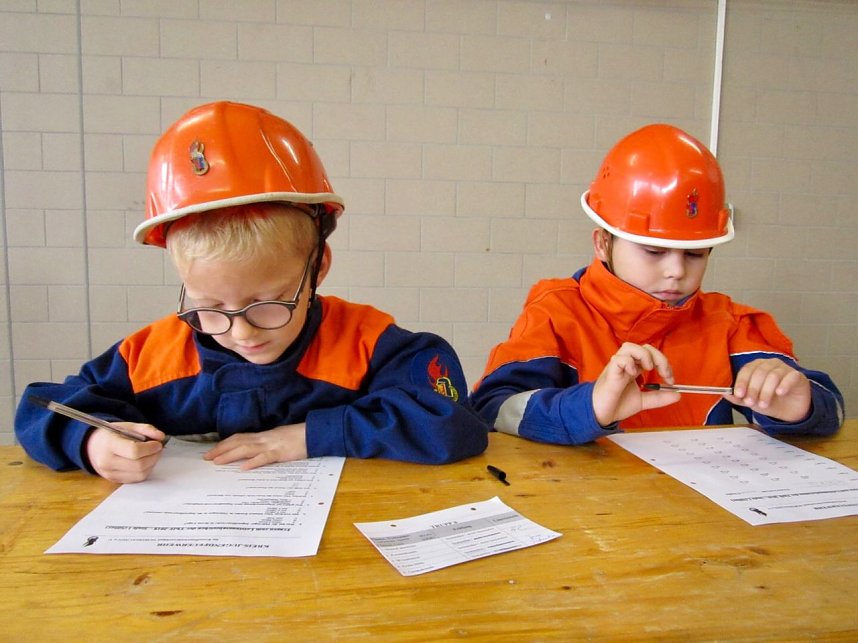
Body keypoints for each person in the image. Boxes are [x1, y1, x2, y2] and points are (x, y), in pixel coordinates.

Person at [15, 101, 488, 482]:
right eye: (208, 307)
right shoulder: (153, 357)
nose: (241, 332)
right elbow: (40, 409)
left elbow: (451, 422)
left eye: (268, 304)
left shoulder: (367, 343)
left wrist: (308, 436)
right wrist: (92, 442)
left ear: (317, 268)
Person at [470, 123, 844, 445]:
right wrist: (589, 407)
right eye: (653, 251)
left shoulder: (728, 324)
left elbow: (832, 409)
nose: (676, 271)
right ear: (602, 243)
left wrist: (803, 407)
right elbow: (491, 409)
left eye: (695, 254)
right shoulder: (557, 313)